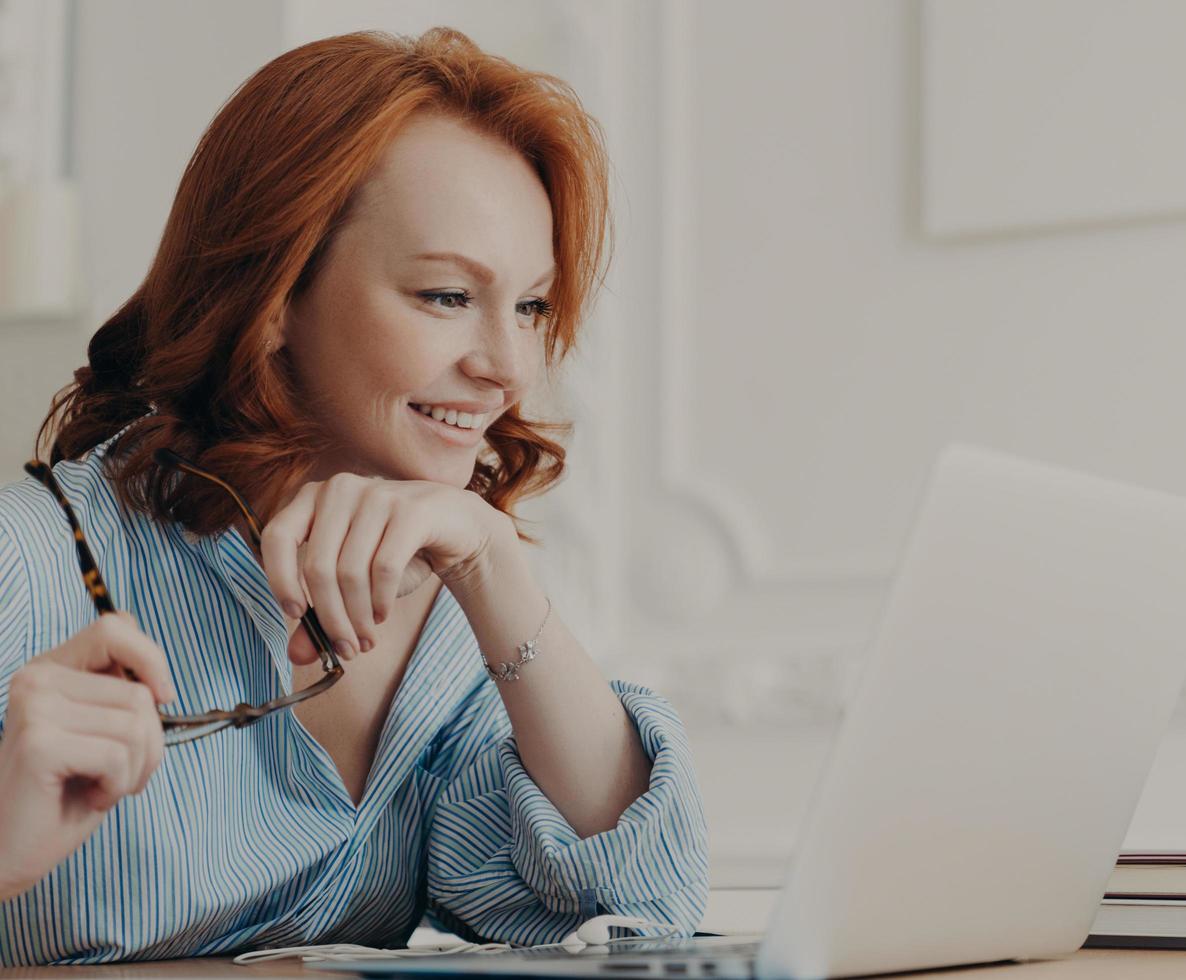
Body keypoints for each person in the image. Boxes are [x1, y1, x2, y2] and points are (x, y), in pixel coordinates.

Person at [0, 27, 708, 966]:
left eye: (532, 307)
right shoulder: (32, 567)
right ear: (275, 290)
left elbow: (638, 903)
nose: (504, 368)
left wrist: (494, 565)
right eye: (448, 295)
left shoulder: (452, 621)